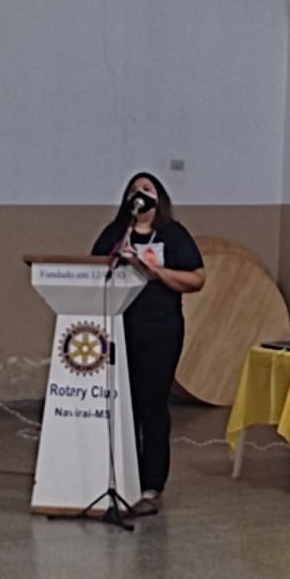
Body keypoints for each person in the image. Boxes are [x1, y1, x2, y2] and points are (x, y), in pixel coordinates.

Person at [90, 172, 205, 516]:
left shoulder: (174, 234)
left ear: (159, 198)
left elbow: (197, 278)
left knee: (152, 405)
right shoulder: (116, 233)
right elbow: (93, 269)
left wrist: (156, 273)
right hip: (120, 328)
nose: (139, 194)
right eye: (134, 190)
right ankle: (119, 476)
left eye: (147, 189)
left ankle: (151, 483)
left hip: (160, 330)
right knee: (125, 404)